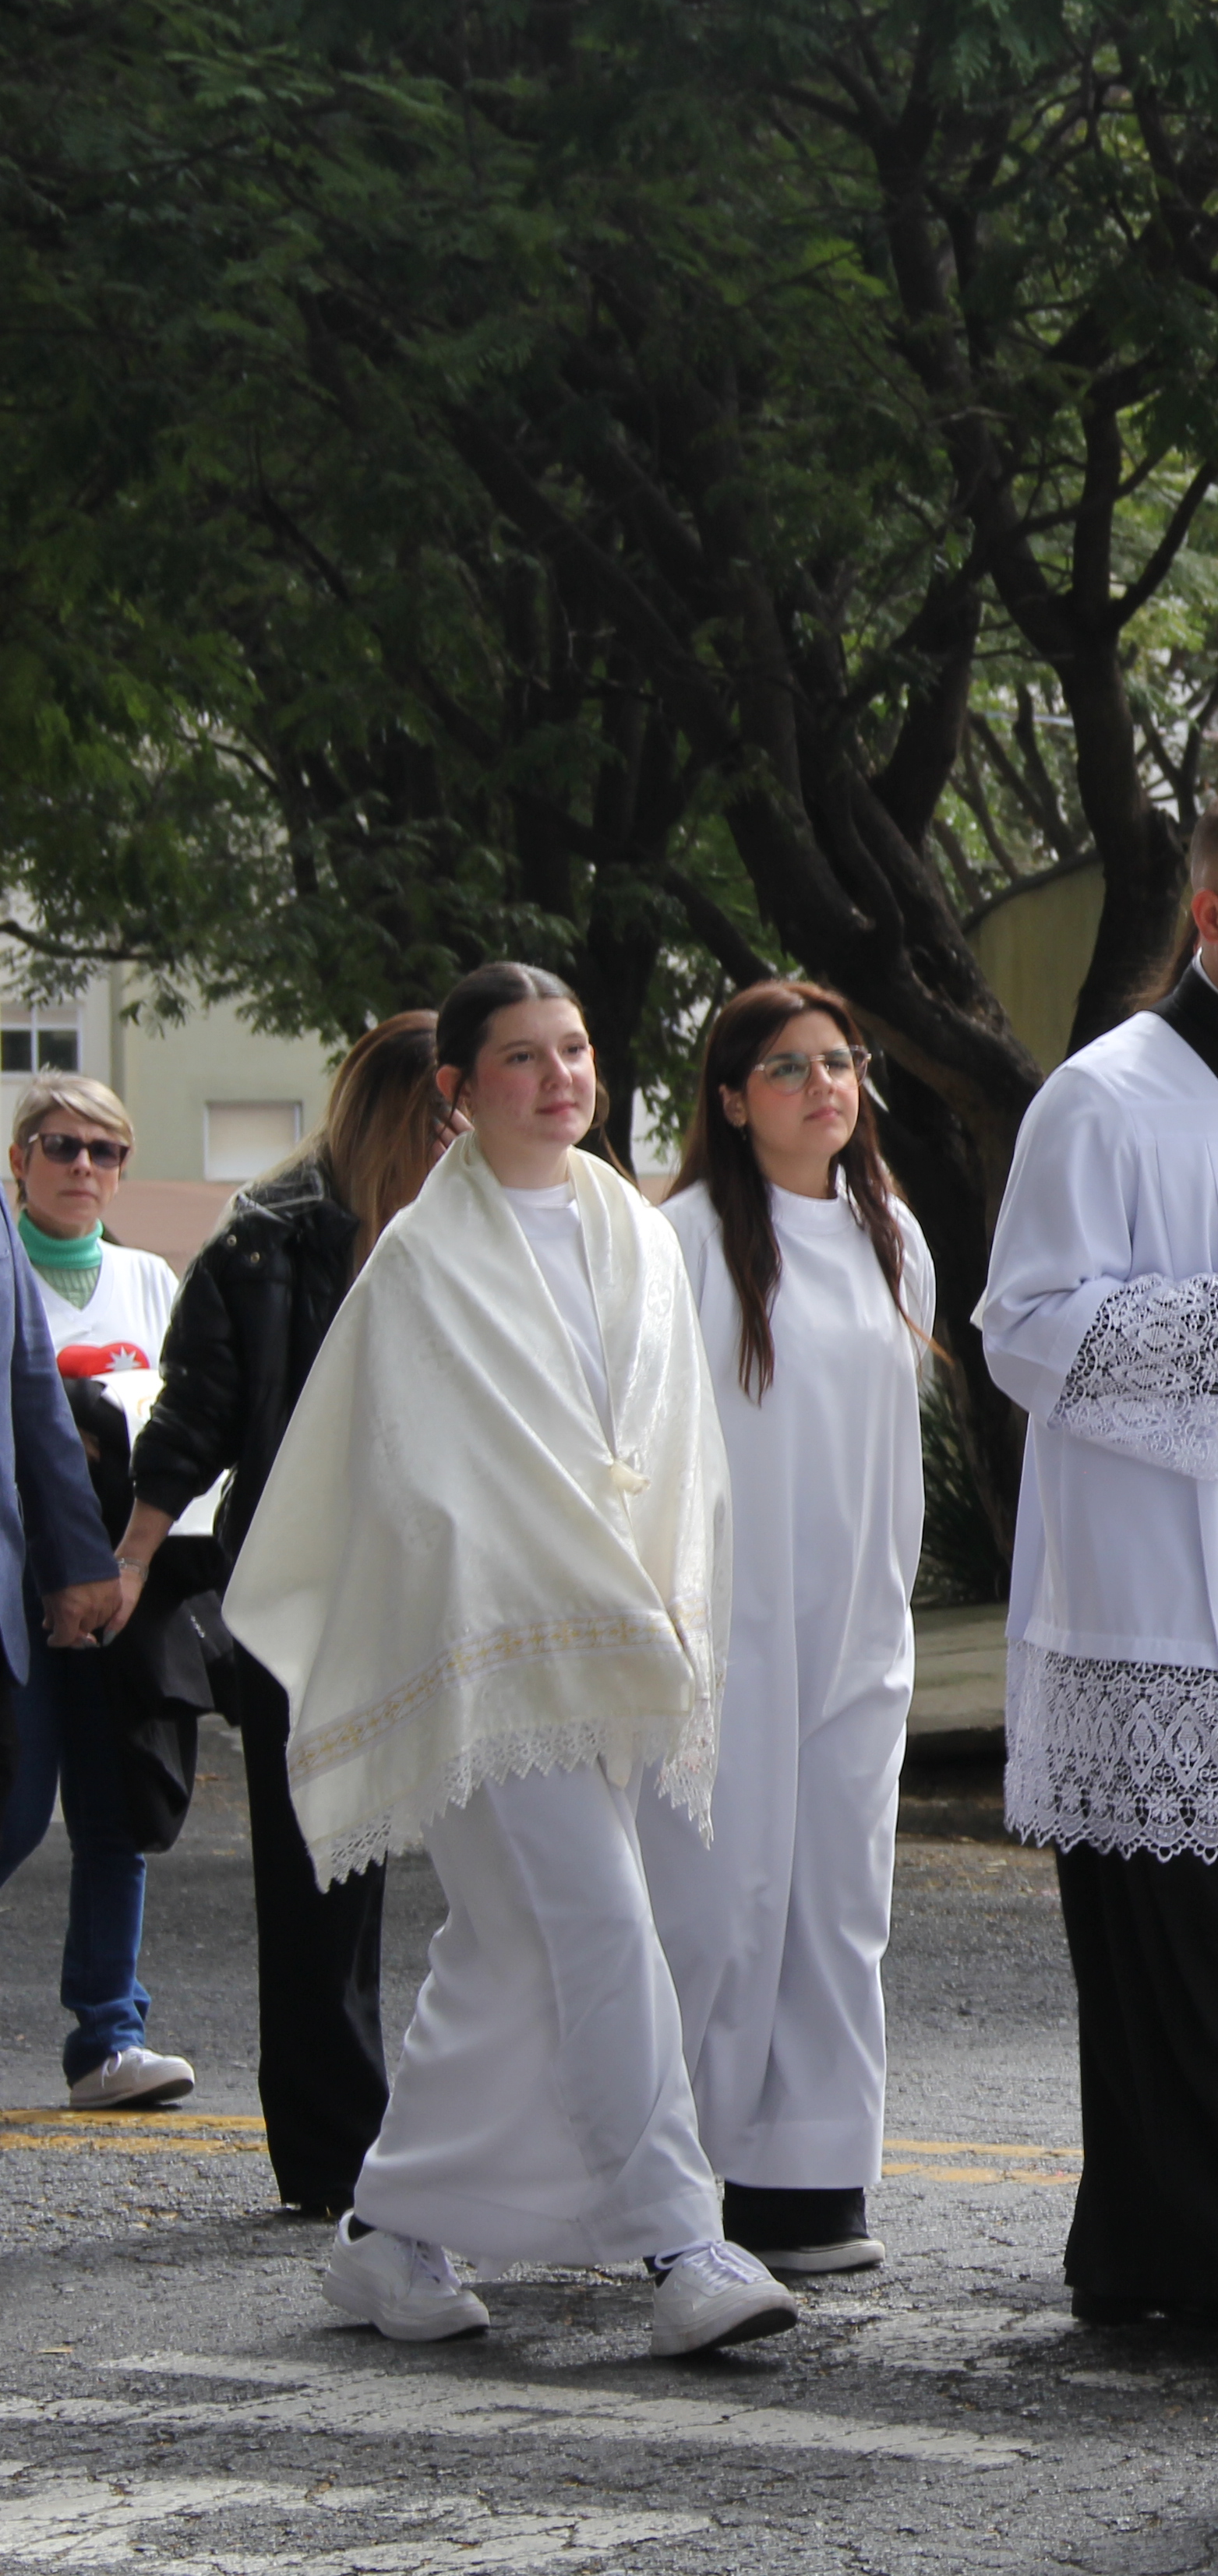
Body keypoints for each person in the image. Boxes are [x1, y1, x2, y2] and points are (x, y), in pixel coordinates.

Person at [224, 961, 796, 2359]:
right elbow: (415, 1482)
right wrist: (536, 1574)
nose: (560, 1079)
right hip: (490, 1662)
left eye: (577, 1049)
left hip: (613, 1647)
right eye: (525, 1059)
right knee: (602, 1925)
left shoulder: (636, 1234)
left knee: (504, 1954)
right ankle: (682, 2241)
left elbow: (672, 1457)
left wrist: (664, 1597)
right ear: (458, 1093)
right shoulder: (422, 1258)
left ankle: (386, 2230)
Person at [977, 781, 1218, 2337]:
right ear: (1211, 917)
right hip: (1167, 1588)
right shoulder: (1105, 1099)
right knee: (1194, 1943)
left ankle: (1167, 2250)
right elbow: (1025, 1330)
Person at [117, 1016, 448, 2205]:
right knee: (320, 1881)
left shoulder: (480, 1224)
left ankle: (479, 2136)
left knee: (499, 1872)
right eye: (444, 1110)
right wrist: (130, 1561)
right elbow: (193, 1417)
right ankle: (332, 2153)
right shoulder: (267, 1241)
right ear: (398, 1108)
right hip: (305, 1595)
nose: (461, 1134)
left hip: (450, 1586)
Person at [644, 981, 937, 2280]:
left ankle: (808, 2179)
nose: (824, 1085)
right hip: (728, 1620)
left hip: (858, 1618)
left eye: (840, 1059)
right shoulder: (690, 1239)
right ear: (729, 1099)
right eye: (786, 1067)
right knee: (717, 1899)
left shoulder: (890, 1234)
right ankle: (660, 2179)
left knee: (836, 1896)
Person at [1, 1077, 192, 2109]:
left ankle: (109, 2039)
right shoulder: (0, 1268)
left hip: (119, 1592)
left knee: (117, 1812)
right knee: (17, 1809)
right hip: (14, 1594)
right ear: (20, 1160)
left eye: (105, 1152)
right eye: (61, 1147)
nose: (84, 1168)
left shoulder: (149, 1281)